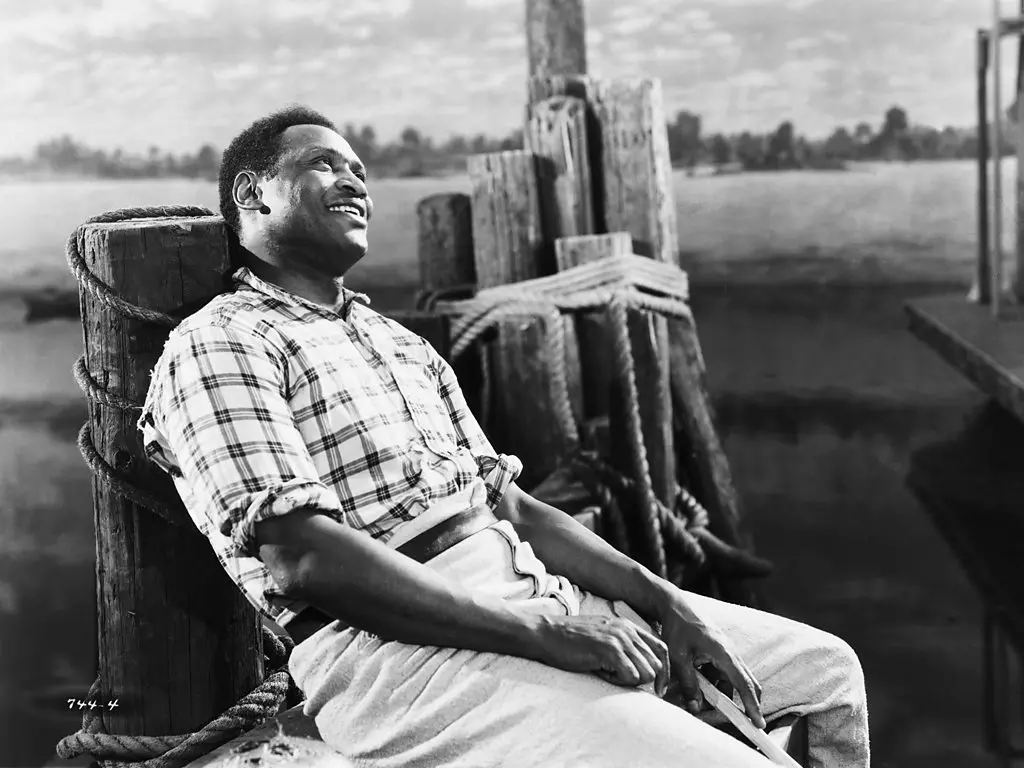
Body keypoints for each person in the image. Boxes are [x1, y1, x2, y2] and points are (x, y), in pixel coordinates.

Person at [138, 105, 870, 768]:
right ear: (252, 194)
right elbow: (303, 557)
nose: (355, 182)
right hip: (401, 656)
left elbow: (511, 508)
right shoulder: (222, 340)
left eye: (359, 171)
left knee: (824, 674)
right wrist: (545, 635)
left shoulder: (398, 343)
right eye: (324, 164)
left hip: (538, 593)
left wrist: (663, 599)